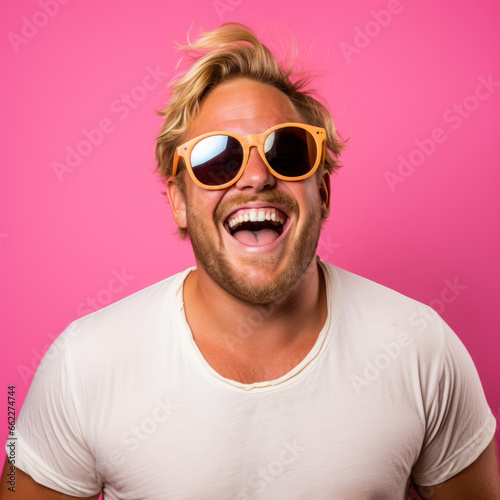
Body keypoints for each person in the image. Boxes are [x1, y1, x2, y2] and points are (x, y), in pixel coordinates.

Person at [1, 22, 499, 500]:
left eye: (287, 150)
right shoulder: (83, 364)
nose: (257, 176)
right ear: (178, 199)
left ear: (322, 191)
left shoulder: (420, 347)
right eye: (217, 158)